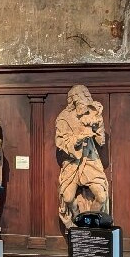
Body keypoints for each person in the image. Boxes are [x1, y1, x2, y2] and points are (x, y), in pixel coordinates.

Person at [55, 84, 109, 228]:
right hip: (72, 162)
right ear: (72, 100)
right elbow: (60, 142)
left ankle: (91, 223)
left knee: (101, 197)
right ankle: (77, 221)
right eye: (80, 99)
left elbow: (101, 141)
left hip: (90, 160)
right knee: (67, 198)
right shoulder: (64, 118)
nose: (84, 102)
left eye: (86, 98)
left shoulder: (92, 113)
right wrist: (78, 138)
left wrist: (97, 124)